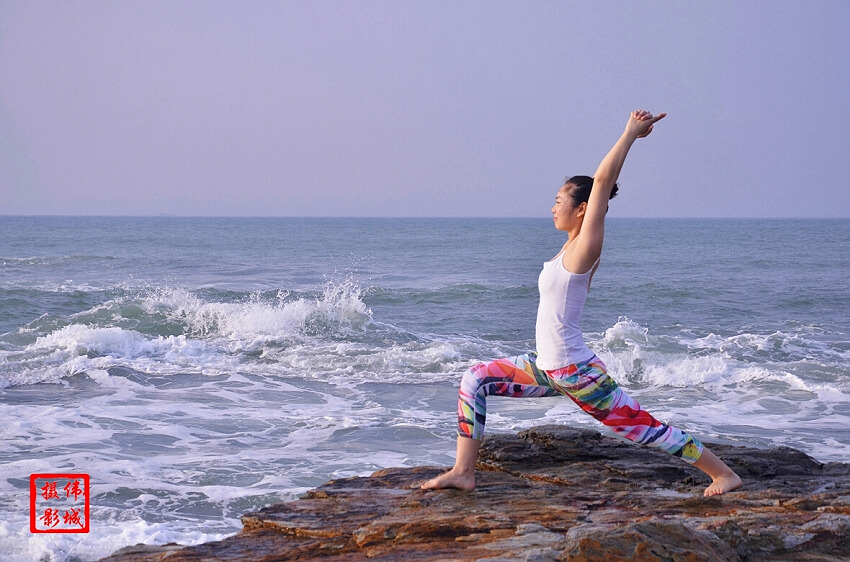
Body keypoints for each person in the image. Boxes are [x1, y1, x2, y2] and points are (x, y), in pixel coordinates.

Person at [421, 110, 742, 497]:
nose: (552, 207)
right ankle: (463, 471)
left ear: (583, 208)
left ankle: (724, 474)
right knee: (475, 379)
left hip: (576, 372)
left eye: (559, 200)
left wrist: (629, 135)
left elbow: (603, 182)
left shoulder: (585, 249)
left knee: (643, 429)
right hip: (547, 367)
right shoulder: (566, 248)